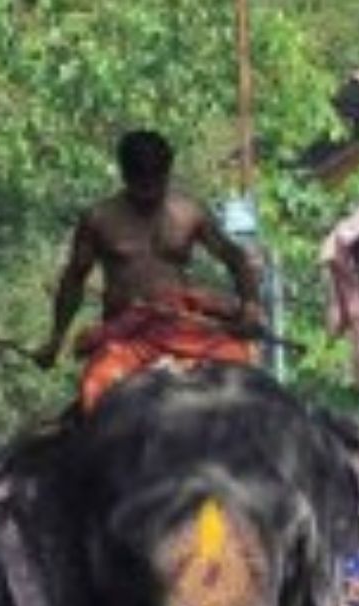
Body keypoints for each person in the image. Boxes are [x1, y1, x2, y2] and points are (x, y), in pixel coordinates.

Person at [32, 129, 262, 416]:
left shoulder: (189, 212)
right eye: (141, 182)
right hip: (127, 336)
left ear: (167, 172)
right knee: (96, 388)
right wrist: (55, 339)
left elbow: (236, 259)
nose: (149, 191)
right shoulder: (99, 218)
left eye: (156, 180)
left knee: (245, 370)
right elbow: (74, 279)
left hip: (184, 327)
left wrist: (250, 307)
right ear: (125, 175)